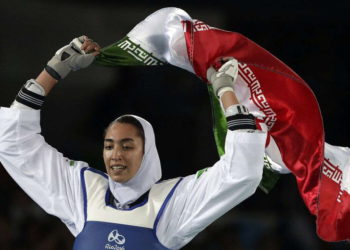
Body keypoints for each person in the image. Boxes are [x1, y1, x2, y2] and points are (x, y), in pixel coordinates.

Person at [0, 36, 267, 249]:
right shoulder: (83, 192)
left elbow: (240, 173)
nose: (116, 154)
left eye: (127, 146)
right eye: (109, 146)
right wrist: (55, 68)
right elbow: (14, 144)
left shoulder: (170, 205)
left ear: (146, 152)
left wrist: (226, 93)